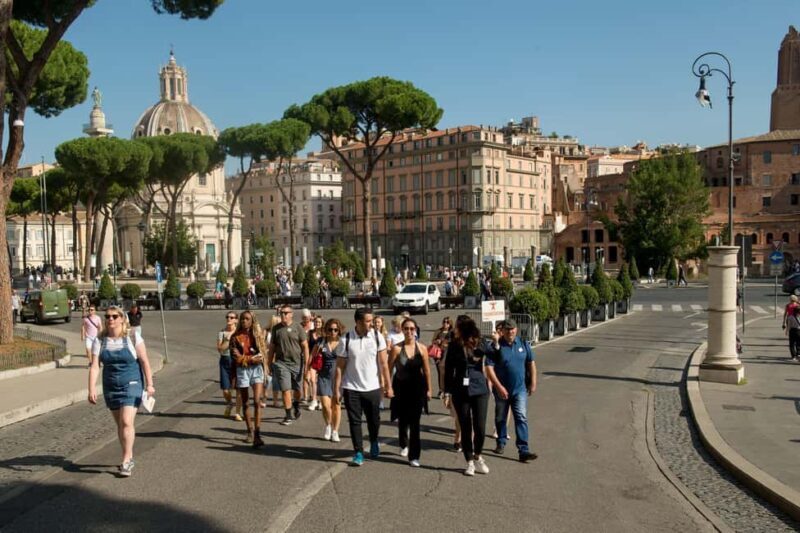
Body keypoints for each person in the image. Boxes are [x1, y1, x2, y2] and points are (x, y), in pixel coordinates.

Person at [88, 305, 156, 477]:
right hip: (110, 385)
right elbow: (95, 366)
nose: (110, 319)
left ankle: (126, 460)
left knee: (126, 421)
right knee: (120, 425)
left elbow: (144, 362)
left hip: (132, 383)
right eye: (108, 316)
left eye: (114, 316)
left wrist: (149, 384)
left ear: (122, 318)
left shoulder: (133, 337)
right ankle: (129, 453)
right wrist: (91, 388)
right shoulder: (100, 340)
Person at [333, 307, 392, 466]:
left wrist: (388, 385)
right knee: (354, 421)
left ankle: (373, 441)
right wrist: (337, 390)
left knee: (374, 420)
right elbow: (339, 367)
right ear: (358, 322)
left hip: (372, 387)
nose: (371, 324)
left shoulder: (377, 337)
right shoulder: (345, 339)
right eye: (368, 321)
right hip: (351, 387)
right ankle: (358, 452)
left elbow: (384, 364)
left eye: (372, 321)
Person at [442, 317, 490, 476]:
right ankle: (469, 461)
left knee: (480, 427)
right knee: (465, 426)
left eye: (457, 326)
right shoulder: (454, 345)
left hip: (479, 388)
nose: (455, 329)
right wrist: (446, 392)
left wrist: (495, 344)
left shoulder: (480, 341)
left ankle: (478, 456)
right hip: (460, 389)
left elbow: (493, 355)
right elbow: (448, 369)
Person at [485, 318, 538, 462]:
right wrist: (498, 386)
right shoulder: (495, 346)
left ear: (516, 330)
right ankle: (501, 442)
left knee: (521, 417)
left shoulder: (523, 343)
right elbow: (489, 369)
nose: (511, 332)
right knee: (501, 417)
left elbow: (530, 363)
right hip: (502, 390)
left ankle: (523, 450)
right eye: (508, 329)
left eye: (513, 329)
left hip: (519, 389)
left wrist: (533, 382)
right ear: (502, 331)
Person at [389, 318, 432, 467]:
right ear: (402, 330)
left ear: (415, 330)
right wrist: (387, 387)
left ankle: (414, 456)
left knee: (415, 423)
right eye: (406, 328)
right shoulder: (395, 349)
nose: (409, 331)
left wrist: (429, 389)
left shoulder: (422, 348)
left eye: (412, 328)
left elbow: (426, 370)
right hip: (400, 388)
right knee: (403, 420)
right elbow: (388, 369)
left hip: (417, 389)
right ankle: (403, 443)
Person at [267, 305, 310, 426]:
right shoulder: (276, 329)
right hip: (282, 363)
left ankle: (296, 404)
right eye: (281, 313)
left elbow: (305, 346)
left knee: (297, 390)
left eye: (286, 313)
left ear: (291, 314)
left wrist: (306, 365)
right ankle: (288, 414)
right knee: (285, 389)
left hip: (297, 363)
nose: (283, 315)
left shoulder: (298, 327)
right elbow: (272, 348)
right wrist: (269, 364)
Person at [230, 310, 267, 447]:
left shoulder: (257, 336)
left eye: (247, 319)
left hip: (257, 370)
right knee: (245, 403)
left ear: (252, 321)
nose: (244, 321)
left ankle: (257, 433)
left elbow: (263, 353)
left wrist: (258, 358)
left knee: (257, 402)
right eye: (242, 319)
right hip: (243, 370)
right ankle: (249, 430)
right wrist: (251, 359)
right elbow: (237, 358)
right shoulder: (235, 337)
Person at [316, 318, 344, 442]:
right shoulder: (321, 342)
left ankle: (335, 431)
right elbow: (312, 357)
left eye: (335, 330)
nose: (333, 332)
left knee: (336, 405)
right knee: (326, 405)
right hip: (323, 376)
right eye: (330, 329)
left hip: (338, 378)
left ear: (339, 330)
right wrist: (308, 372)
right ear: (326, 330)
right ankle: (328, 425)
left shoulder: (343, 343)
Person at [217, 312, 242, 420]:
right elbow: (220, 349)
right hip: (225, 360)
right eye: (227, 317)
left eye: (231, 317)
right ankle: (230, 403)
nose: (229, 319)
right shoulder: (222, 332)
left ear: (236, 320)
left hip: (237, 361)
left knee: (239, 388)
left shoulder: (240, 332)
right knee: (225, 390)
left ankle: (237, 412)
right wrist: (228, 339)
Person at [429, 317, 452, 398]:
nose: (445, 324)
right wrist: (437, 341)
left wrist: (443, 342)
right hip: (439, 354)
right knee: (440, 373)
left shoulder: (452, 332)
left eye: (447, 322)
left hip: (449, 354)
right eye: (444, 322)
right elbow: (433, 341)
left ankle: (447, 390)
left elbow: (453, 342)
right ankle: (441, 390)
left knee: (448, 373)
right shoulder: (438, 331)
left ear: (450, 324)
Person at [306, 315, 325, 411]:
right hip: (312, 357)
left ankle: (321, 401)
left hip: (322, 359)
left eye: (319, 322)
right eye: (316, 322)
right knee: (312, 380)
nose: (317, 324)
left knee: (320, 381)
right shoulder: (310, 333)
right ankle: (314, 400)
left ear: (322, 323)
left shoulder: (325, 334)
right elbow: (307, 346)